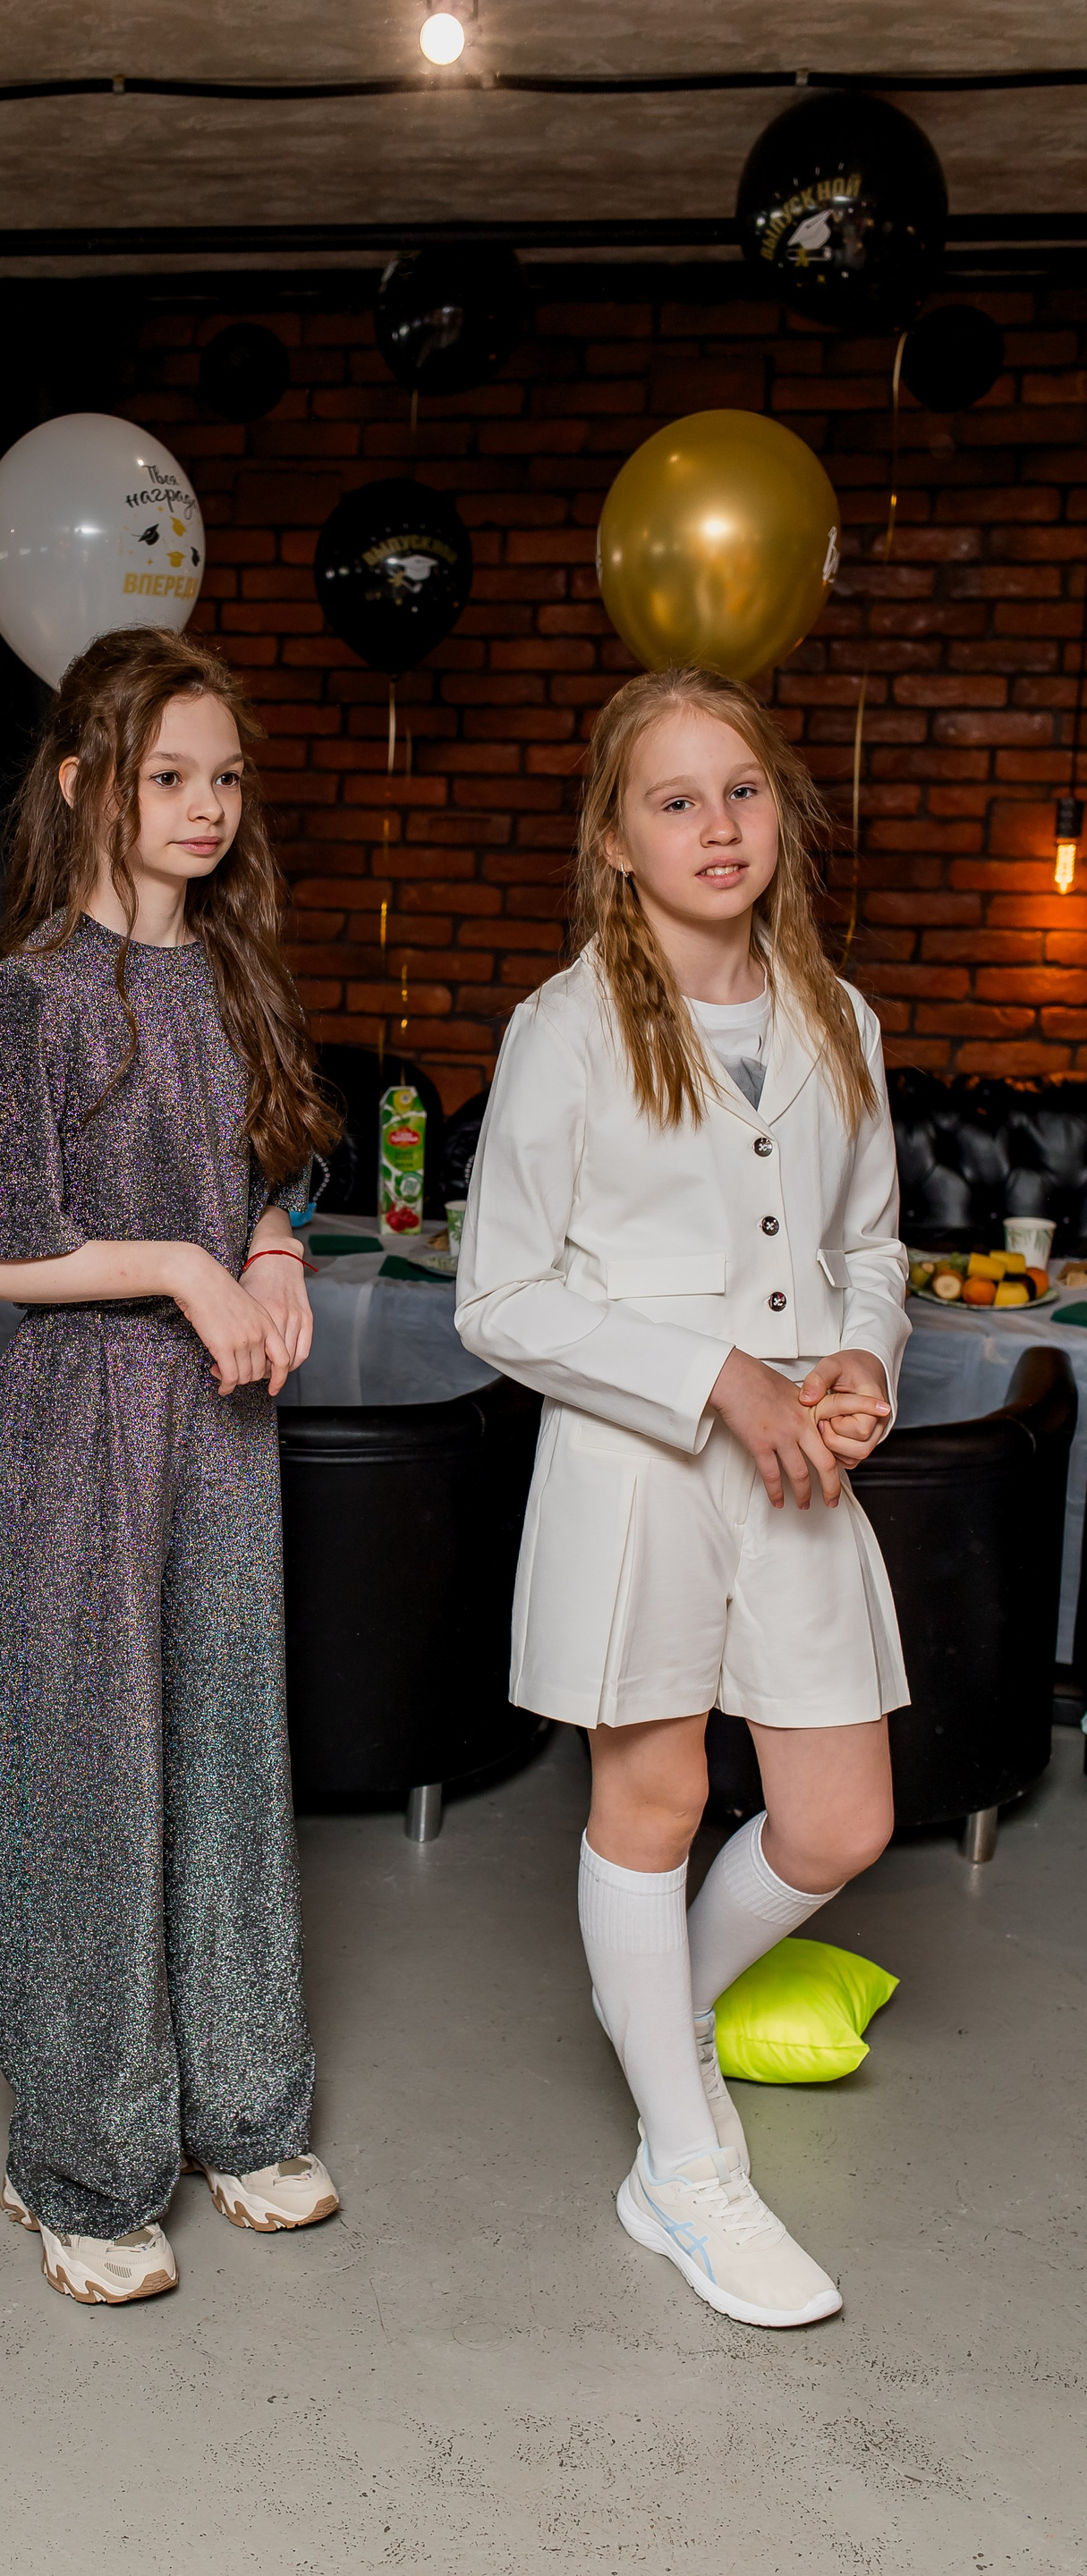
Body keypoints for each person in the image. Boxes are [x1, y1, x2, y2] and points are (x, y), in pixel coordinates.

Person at [456, 665, 909, 2330]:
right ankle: (687, 2161)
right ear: (616, 839)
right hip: (640, 1469)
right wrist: (716, 1371)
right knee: (649, 1806)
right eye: (676, 800)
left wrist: (860, 1358)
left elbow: (871, 1246)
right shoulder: (565, 1030)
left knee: (839, 1821)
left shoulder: (839, 1016)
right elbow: (499, 1299)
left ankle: (662, 2033)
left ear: (781, 808)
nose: (718, 827)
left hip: (802, 1470)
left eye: (743, 790)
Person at [0, 626, 342, 2304]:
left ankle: (243, 2113)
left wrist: (271, 1248)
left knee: (230, 1751)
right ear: (84, 782)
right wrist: (181, 1266)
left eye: (225, 777)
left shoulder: (235, 976)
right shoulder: (26, 998)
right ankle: (82, 2164)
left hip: (221, 1426)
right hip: (76, 1417)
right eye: (169, 776)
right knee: (89, 1785)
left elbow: (265, 1173)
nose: (205, 806)